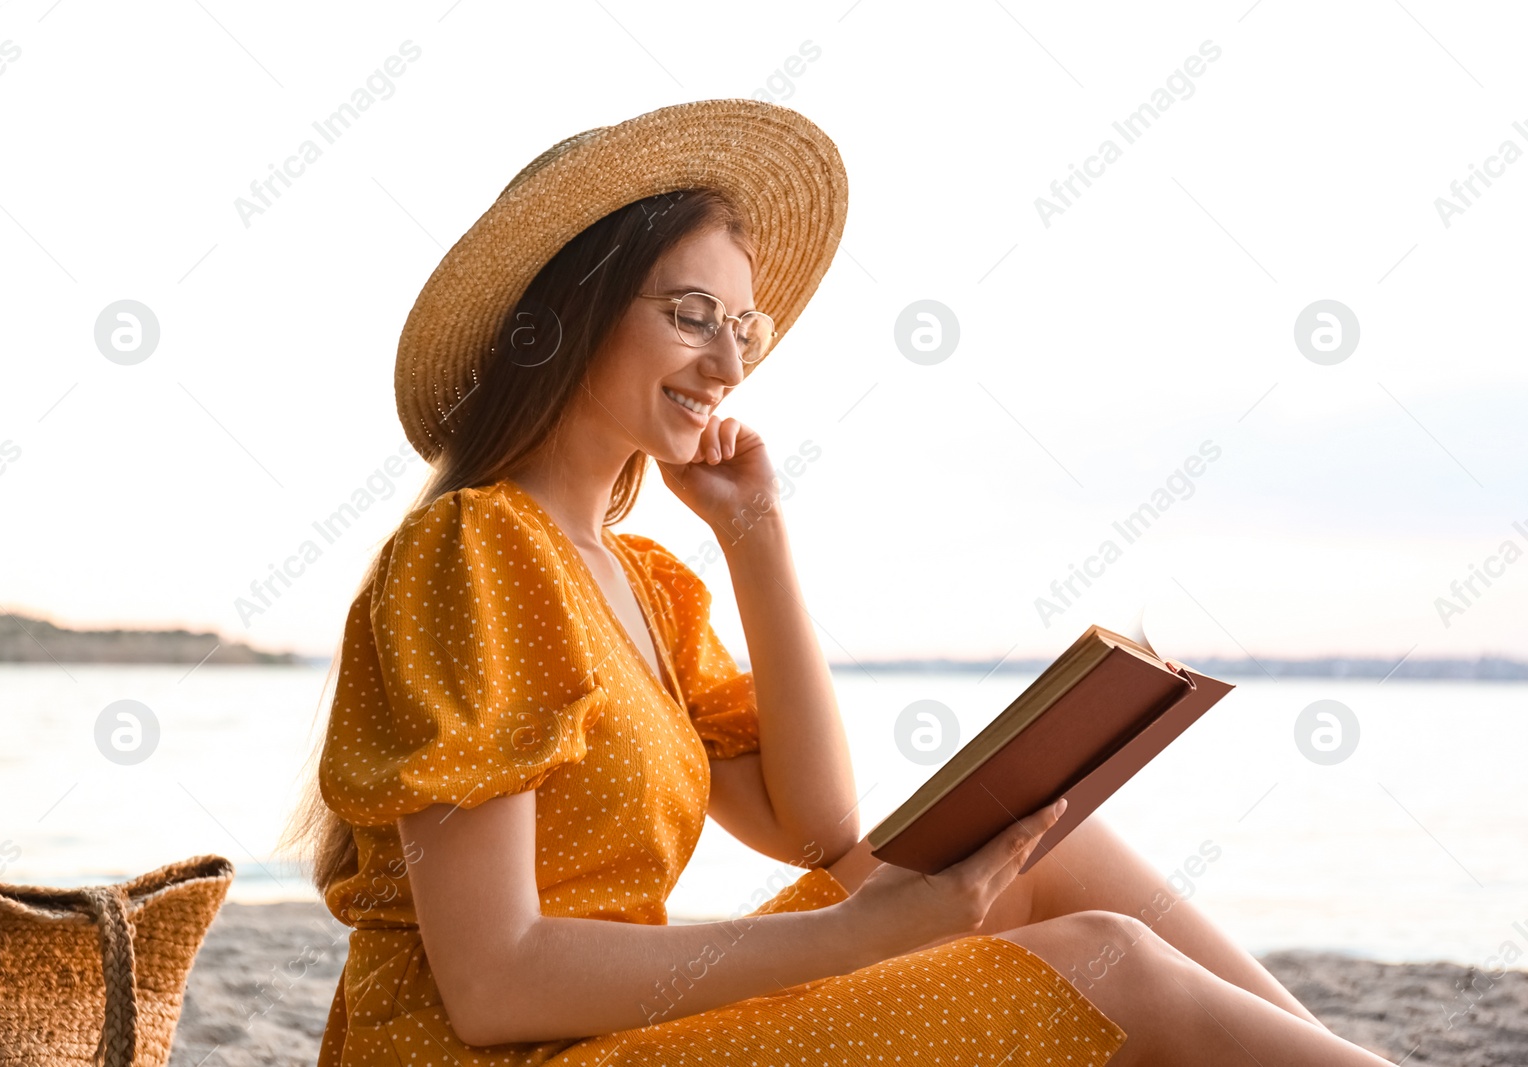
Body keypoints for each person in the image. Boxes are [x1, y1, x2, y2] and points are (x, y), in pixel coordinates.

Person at [284, 99, 1399, 1066]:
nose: (728, 364)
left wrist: (757, 538)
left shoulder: (642, 582)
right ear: (570, 315)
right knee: (1104, 967)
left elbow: (816, 823)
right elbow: (495, 985)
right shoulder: (475, 547)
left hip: (611, 1037)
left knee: (1054, 847)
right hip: (518, 1051)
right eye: (688, 315)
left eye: (742, 327)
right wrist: (867, 932)